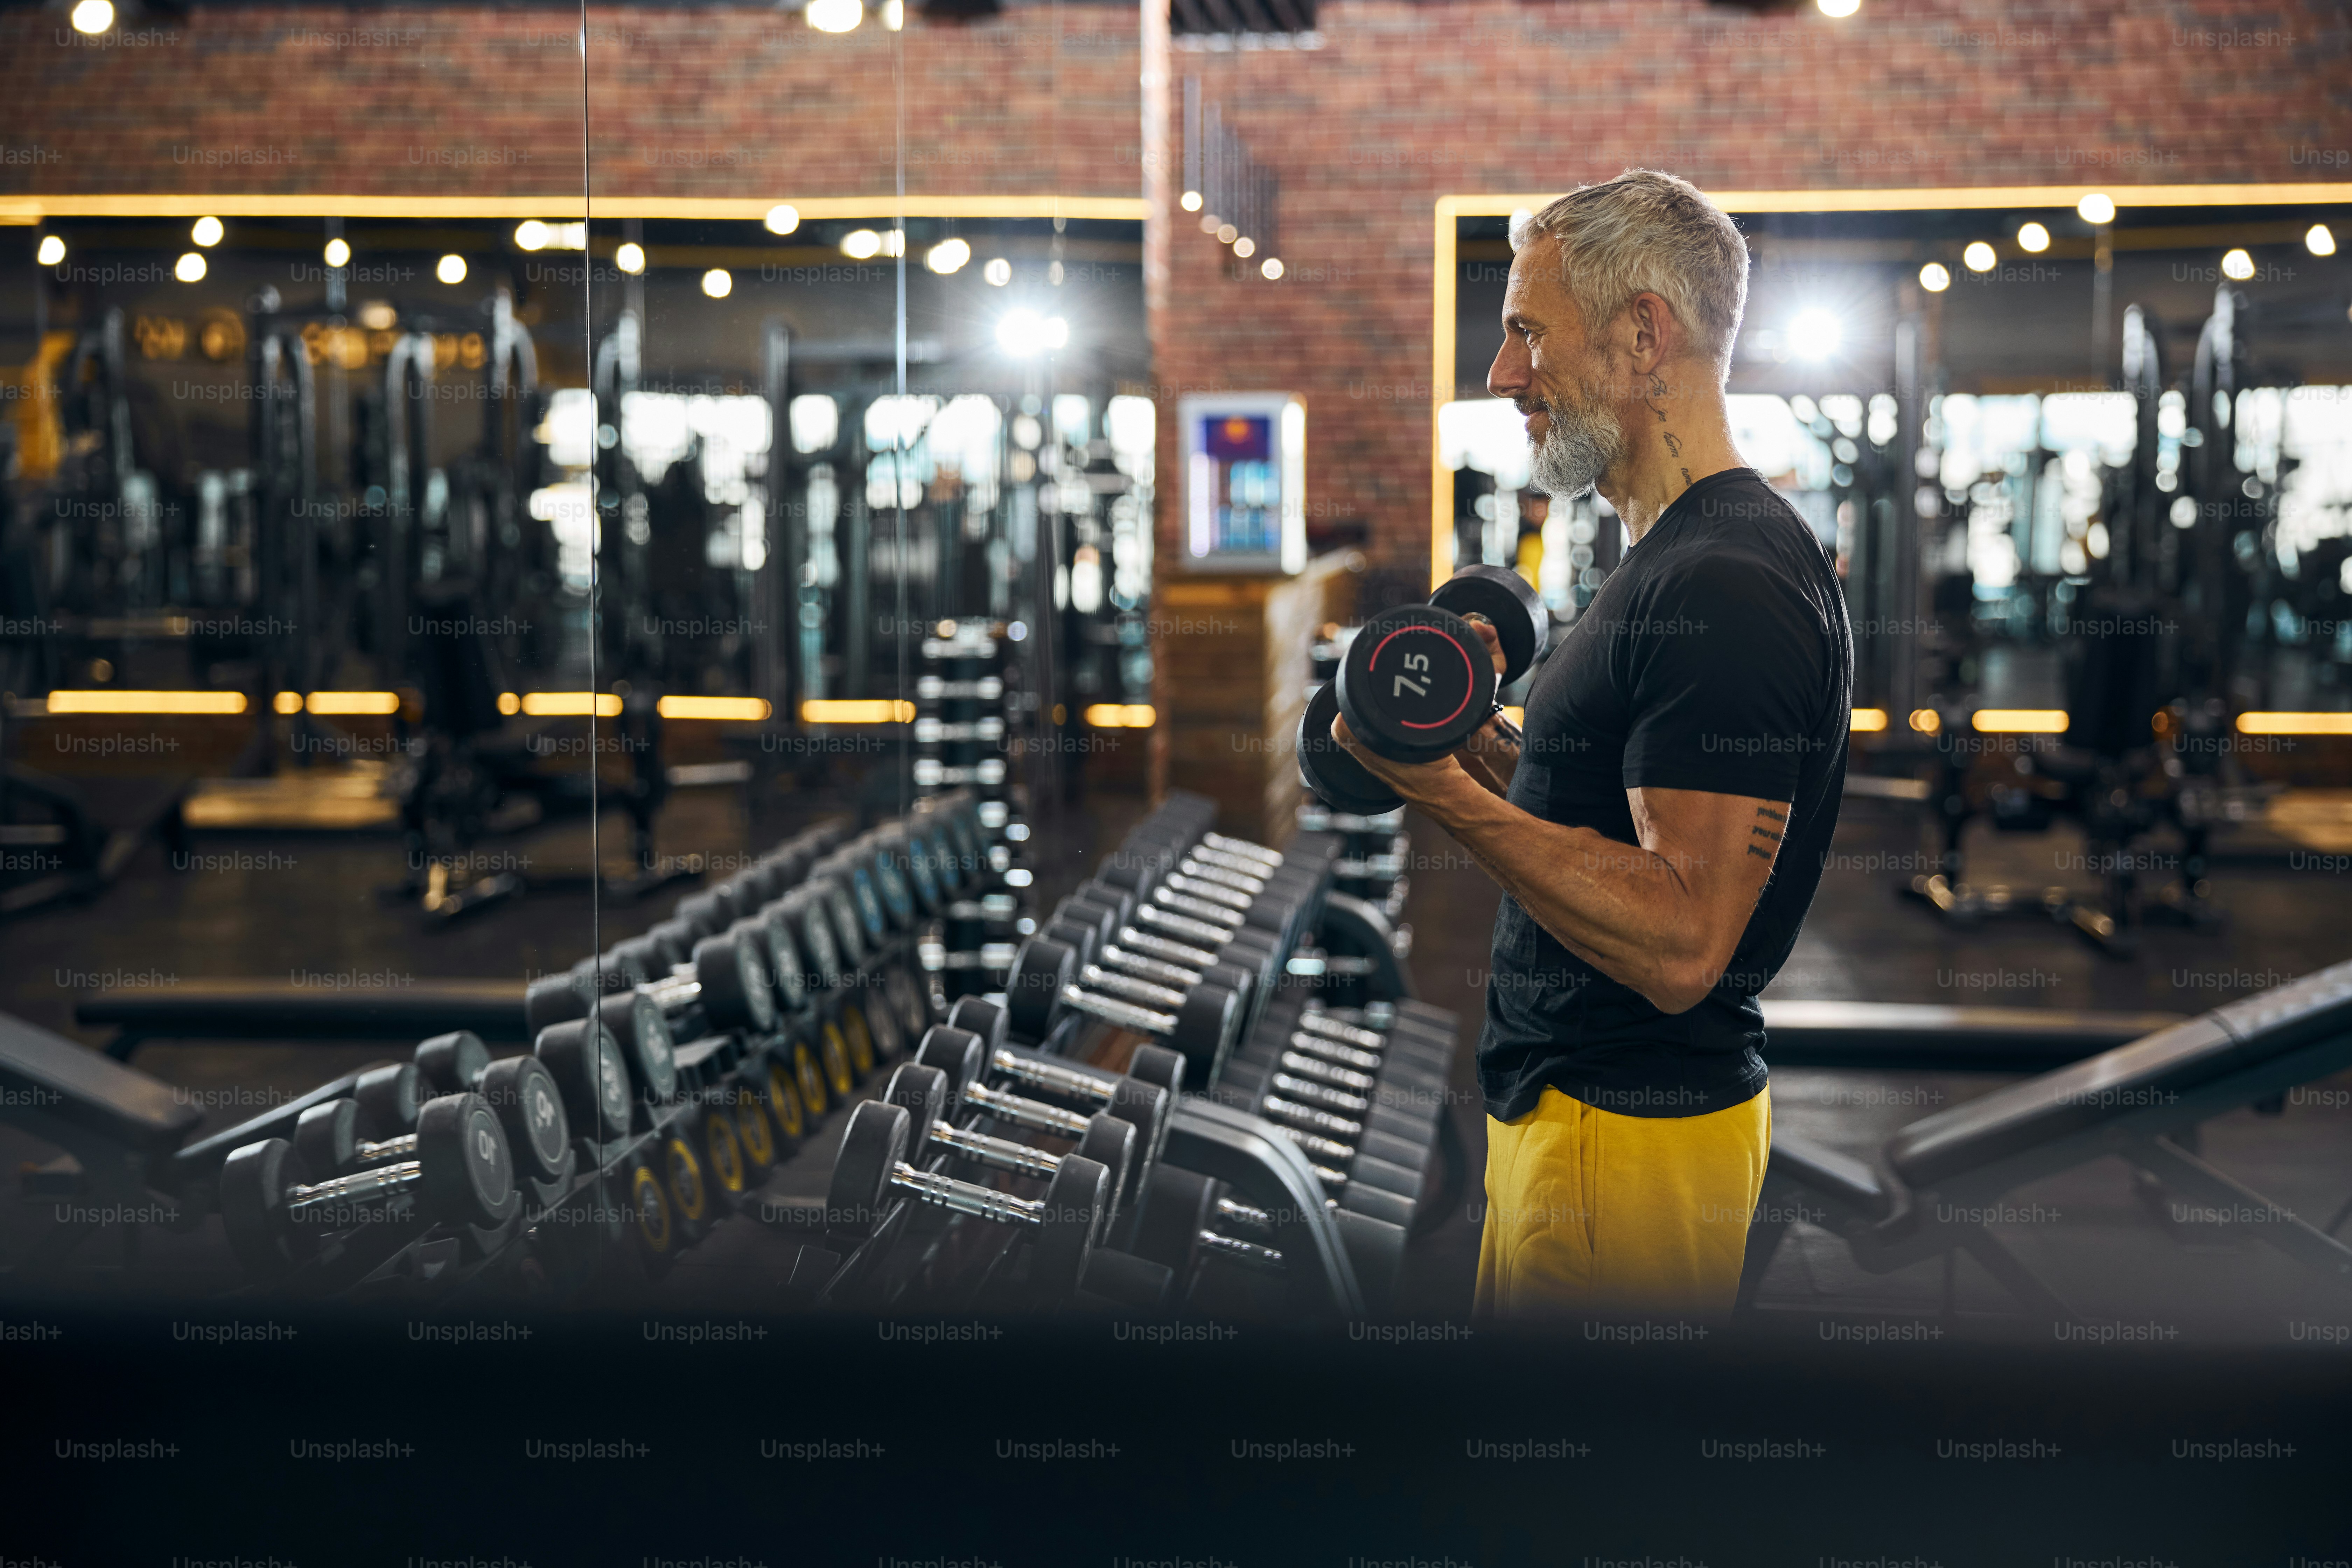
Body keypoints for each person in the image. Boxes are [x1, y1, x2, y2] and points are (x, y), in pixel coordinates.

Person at [1333, 170, 1853, 1319]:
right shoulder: (1674, 553)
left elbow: (1679, 940)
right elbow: (1610, 810)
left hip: (1625, 1140)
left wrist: (1439, 798)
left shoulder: (1726, 582)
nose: (1502, 373)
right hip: (1583, 1128)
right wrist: (1481, 751)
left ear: (1642, 331)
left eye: (1527, 331)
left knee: (1587, 1488)